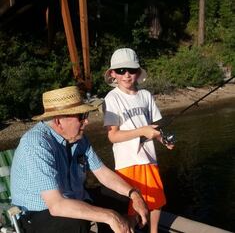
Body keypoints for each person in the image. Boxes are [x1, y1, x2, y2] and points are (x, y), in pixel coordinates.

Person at [10, 85, 149, 233]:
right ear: (58, 121)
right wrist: (110, 216)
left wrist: (134, 194)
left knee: (120, 197)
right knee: (76, 223)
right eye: (81, 117)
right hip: (37, 213)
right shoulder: (36, 144)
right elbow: (56, 205)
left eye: (86, 115)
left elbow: (102, 173)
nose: (87, 121)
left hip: (73, 198)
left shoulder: (79, 138)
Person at [103, 48, 174, 233]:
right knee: (132, 206)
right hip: (127, 162)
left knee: (156, 201)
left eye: (131, 70)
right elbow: (113, 136)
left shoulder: (146, 96)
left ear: (138, 72)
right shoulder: (112, 98)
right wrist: (141, 131)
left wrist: (162, 138)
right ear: (112, 74)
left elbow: (154, 127)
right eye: (120, 70)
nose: (126, 75)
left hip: (149, 158)